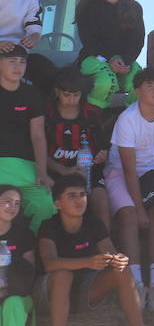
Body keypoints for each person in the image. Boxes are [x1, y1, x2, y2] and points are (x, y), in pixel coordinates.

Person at [34, 176, 146, 326]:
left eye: (82, 195)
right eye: (72, 196)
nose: (79, 200)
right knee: (63, 276)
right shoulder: (48, 226)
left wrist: (119, 260)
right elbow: (50, 264)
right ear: (57, 204)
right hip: (49, 296)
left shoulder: (94, 224)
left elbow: (111, 253)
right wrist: (87, 262)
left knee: (123, 271)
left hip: (83, 294)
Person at [104, 68, 154, 310]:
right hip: (121, 172)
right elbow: (128, 169)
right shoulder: (127, 118)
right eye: (149, 86)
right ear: (138, 91)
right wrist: (138, 209)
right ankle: (136, 285)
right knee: (128, 216)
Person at [42, 67, 110, 228]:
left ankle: (106, 246)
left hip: (87, 171)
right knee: (48, 201)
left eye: (76, 95)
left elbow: (103, 147)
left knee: (101, 200)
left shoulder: (91, 114)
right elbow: (37, 150)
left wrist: (102, 155)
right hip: (55, 171)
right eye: (67, 95)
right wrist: (62, 170)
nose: (72, 100)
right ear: (57, 91)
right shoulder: (46, 114)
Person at [75, 0, 144, 109]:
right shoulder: (89, 5)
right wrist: (110, 59)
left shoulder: (134, 9)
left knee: (139, 80)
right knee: (106, 81)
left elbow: (137, 40)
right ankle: (93, 120)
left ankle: (130, 121)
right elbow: (89, 40)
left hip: (124, 60)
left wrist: (124, 60)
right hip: (94, 57)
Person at [0, 47, 55, 229]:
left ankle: (34, 254)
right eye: (12, 61)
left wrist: (42, 172)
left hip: (26, 168)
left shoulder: (32, 95)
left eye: (22, 62)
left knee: (45, 206)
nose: (18, 67)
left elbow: (38, 136)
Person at [0, 184, 37, 326]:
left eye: (17, 203)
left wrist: (8, 289)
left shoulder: (24, 234)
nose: (12, 207)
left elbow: (29, 275)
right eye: (7, 201)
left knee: (13, 302)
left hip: (17, 294)